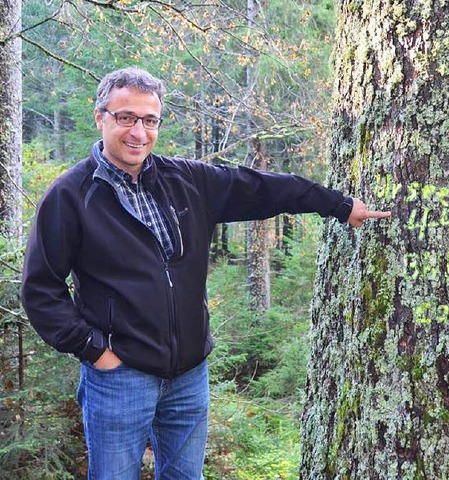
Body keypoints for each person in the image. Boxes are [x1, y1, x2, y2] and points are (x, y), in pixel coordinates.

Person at [21, 67, 390, 479]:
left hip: (188, 375)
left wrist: (337, 205)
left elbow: (263, 188)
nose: (138, 132)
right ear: (100, 117)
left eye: (149, 120)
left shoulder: (187, 180)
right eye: (125, 117)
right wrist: (96, 352)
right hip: (120, 377)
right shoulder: (71, 195)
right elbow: (40, 290)